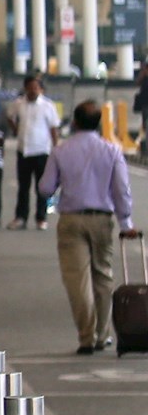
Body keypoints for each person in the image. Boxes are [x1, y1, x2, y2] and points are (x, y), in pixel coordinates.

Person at [40, 100, 137, 354]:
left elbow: (45, 188)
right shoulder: (111, 150)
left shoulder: (61, 151)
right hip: (102, 219)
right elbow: (121, 190)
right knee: (103, 276)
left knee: (77, 280)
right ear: (99, 124)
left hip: (71, 220)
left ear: (74, 122)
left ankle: (85, 336)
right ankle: (102, 335)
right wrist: (126, 221)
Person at [11, 74, 62, 229]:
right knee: (23, 186)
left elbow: (54, 128)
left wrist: (56, 148)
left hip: (41, 151)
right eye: (30, 88)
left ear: (40, 89)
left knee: (42, 187)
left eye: (36, 88)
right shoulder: (18, 104)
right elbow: (9, 117)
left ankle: (41, 218)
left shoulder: (48, 106)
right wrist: (16, 130)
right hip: (23, 151)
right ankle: (21, 217)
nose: (33, 91)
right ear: (25, 88)